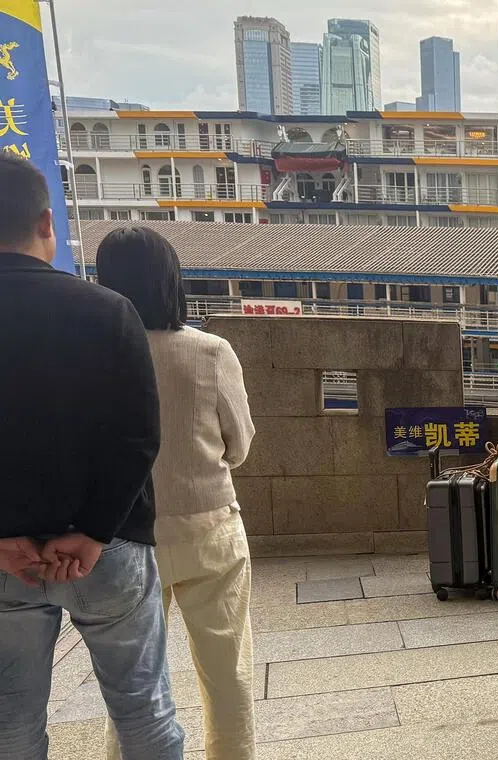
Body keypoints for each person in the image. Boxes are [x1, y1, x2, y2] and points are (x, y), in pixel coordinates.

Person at [0, 155, 184, 759]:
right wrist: (93, 532)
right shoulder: (106, 310)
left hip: (4, 559)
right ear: (45, 223)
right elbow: (138, 435)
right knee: (144, 714)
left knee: (11, 725)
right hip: (108, 550)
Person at [97, 227, 257, 760]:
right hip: (208, 524)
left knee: (135, 679)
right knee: (227, 667)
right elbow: (239, 445)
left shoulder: (95, 356)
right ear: (171, 280)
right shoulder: (210, 352)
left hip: (124, 534)